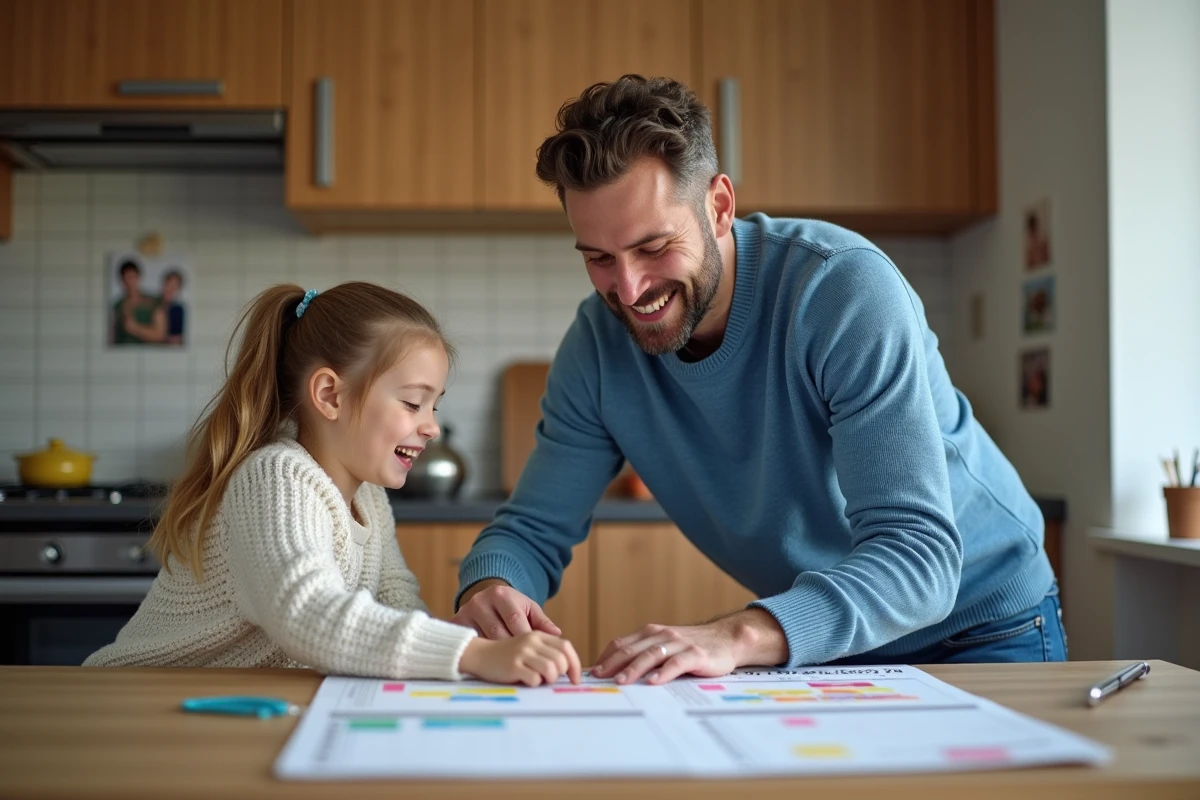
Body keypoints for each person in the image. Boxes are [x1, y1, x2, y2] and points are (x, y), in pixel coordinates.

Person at [452, 75, 1064, 683]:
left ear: (719, 206)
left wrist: (737, 634)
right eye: (599, 260)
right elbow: (531, 527)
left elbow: (918, 561)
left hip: (980, 624)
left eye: (654, 246)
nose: (630, 289)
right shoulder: (598, 347)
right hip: (825, 639)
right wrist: (493, 581)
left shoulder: (842, 291)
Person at [85, 282, 582, 687]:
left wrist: (464, 640)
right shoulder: (276, 477)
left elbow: (396, 602)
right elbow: (307, 613)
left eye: (435, 405)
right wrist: (470, 655)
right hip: (135, 702)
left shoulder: (368, 497)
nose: (430, 425)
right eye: (412, 403)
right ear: (329, 395)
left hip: (228, 710)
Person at [111, 259, 159, 345]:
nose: (130, 282)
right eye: (126, 278)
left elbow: (159, 336)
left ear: (139, 277)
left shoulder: (153, 302)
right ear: (122, 280)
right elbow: (112, 338)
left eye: (132, 277)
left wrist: (135, 328)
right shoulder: (117, 306)